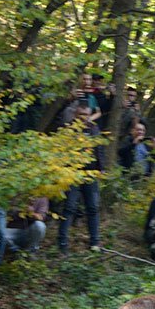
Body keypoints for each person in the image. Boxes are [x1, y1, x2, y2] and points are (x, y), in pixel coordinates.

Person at [57, 106, 104, 253]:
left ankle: (94, 242)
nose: (84, 117)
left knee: (93, 208)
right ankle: (62, 244)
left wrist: (101, 168)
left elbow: (99, 150)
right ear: (76, 115)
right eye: (81, 114)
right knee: (69, 207)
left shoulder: (94, 129)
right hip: (73, 174)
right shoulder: (69, 130)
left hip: (91, 174)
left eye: (86, 114)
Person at [0, 197, 49, 264]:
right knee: (0, 235)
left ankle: (30, 252)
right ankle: (17, 252)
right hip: (12, 230)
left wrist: (30, 212)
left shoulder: (42, 198)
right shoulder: (18, 193)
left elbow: (41, 217)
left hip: (29, 231)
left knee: (40, 226)